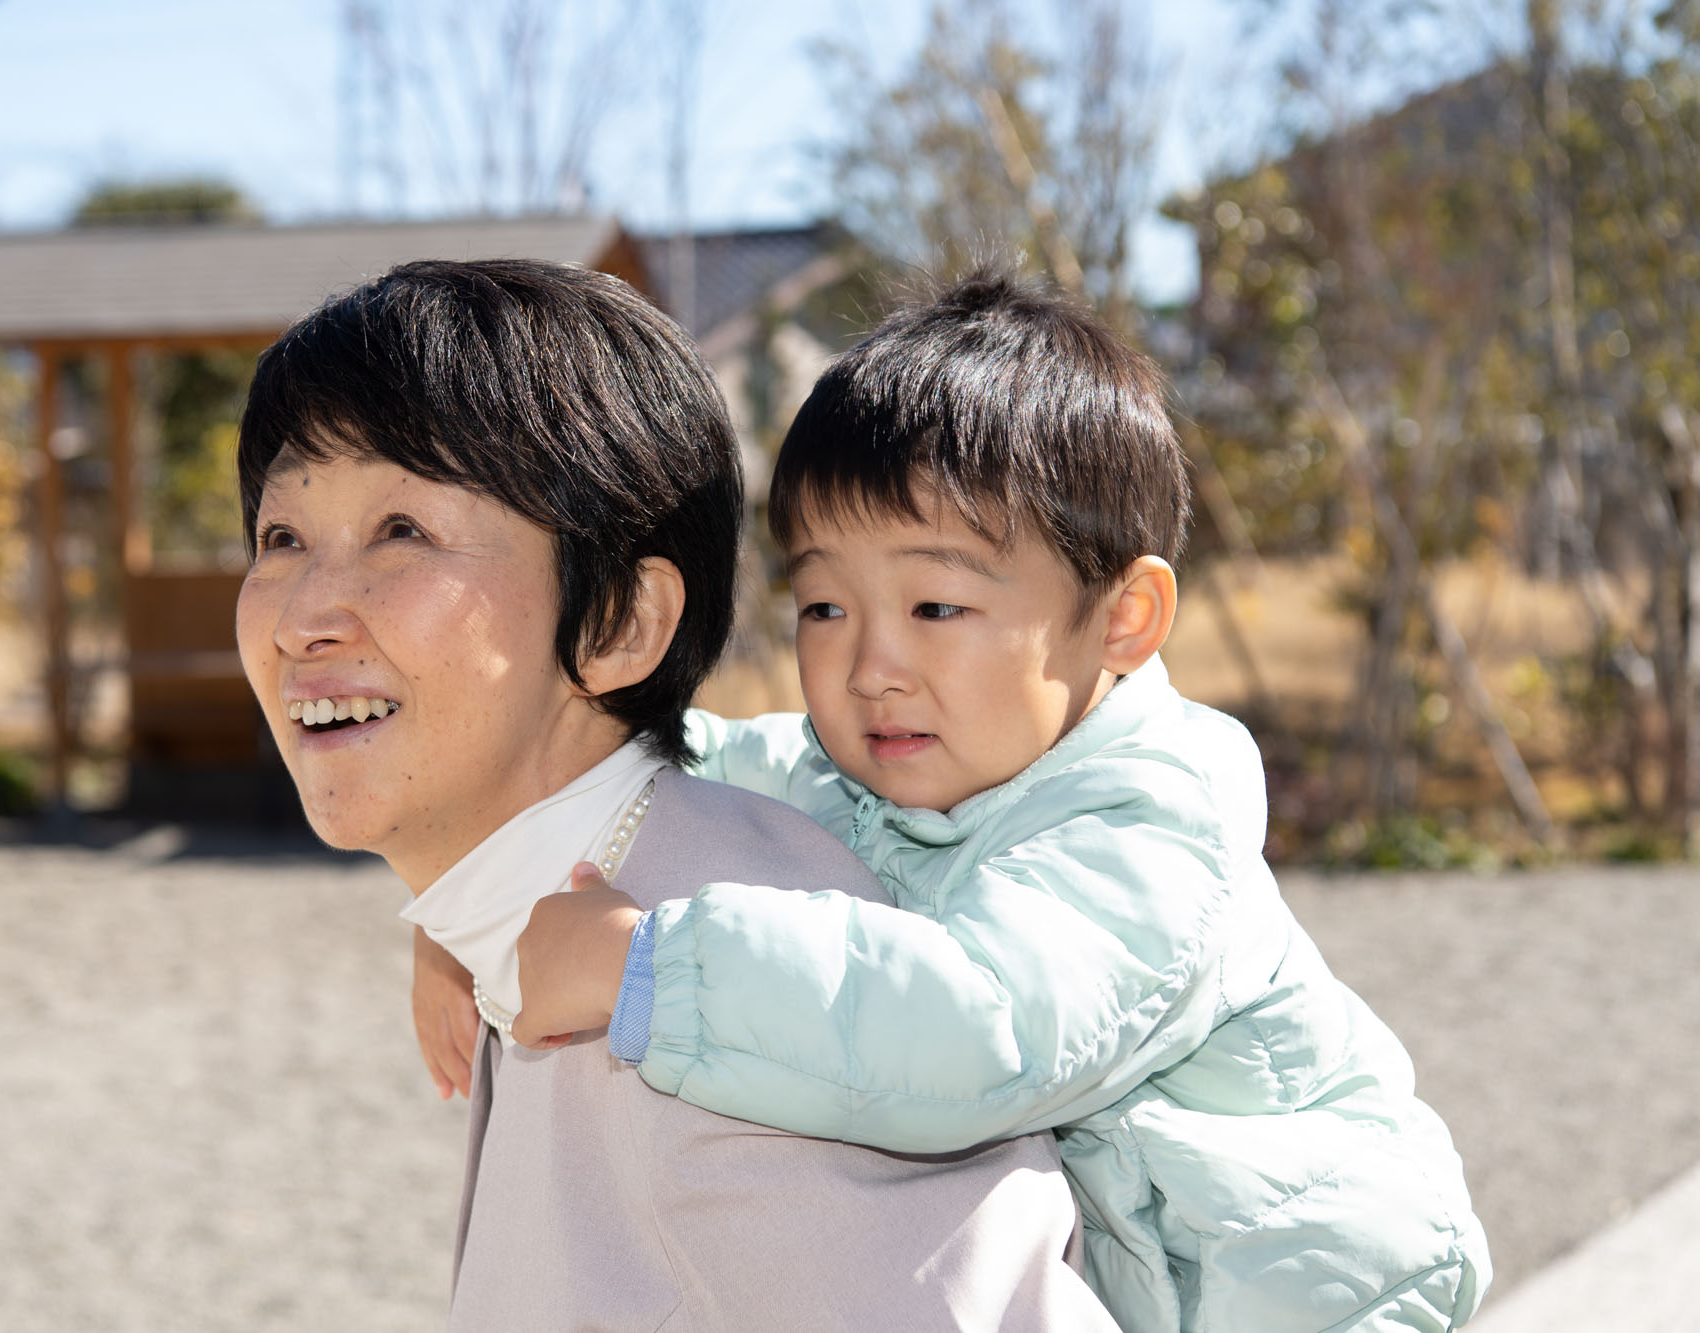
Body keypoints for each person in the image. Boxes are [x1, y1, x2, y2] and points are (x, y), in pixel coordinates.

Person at [493, 272, 1492, 1332]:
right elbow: (650, 774)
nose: (871, 662)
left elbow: (981, 1029)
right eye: (823, 603)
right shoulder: (848, 772)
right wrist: (497, 874)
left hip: (1325, 1301)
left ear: (1122, 618)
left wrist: (639, 964)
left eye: (936, 604)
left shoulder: (1146, 821)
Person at [235, 259, 1116, 1332]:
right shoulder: (587, 903)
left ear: (616, 625)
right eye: (282, 538)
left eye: (402, 530)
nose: (302, 615)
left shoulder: (742, 993)